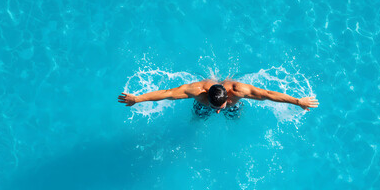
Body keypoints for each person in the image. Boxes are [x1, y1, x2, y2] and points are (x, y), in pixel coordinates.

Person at [118, 80, 319, 119]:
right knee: (199, 116)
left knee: (234, 115)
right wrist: (138, 98)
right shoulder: (197, 91)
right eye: (216, 106)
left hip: (234, 105)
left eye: (220, 106)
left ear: (226, 97)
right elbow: (167, 93)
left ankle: (232, 116)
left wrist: (297, 101)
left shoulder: (238, 91)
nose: (218, 109)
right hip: (201, 105)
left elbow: (268, 95)